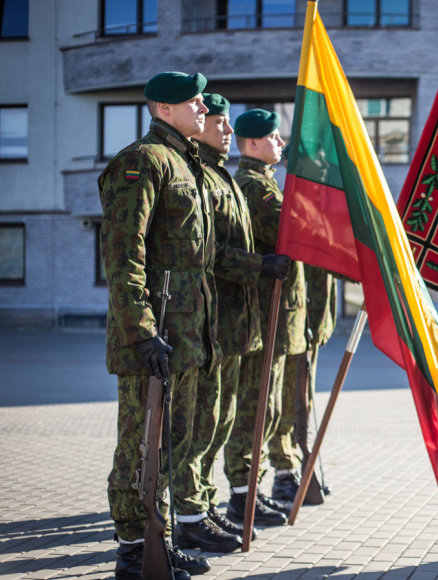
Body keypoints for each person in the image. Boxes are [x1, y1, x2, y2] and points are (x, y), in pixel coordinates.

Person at [99, 71, 216, 579]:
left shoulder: (186, 164)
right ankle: (134, 551)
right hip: (153, 334)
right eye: (193, 103)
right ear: (163, 109)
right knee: (141, 444)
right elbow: (125, 255)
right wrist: (143, 331)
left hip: (186, 334)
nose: (202, 111)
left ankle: (159, 541)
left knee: (171, 444)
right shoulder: (142, 161)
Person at [177, 93, 292, 550]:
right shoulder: (211, 178)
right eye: (216, 121)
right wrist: (260, 265)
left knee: (224, 419)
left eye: (222, 121)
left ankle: (206, 506)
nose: (221, 128)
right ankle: (193, 512)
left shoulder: (222, 176)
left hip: (236, 322)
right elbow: (206, 253)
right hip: (211, 321)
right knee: (204, 424)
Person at [223, 108, 307, 526]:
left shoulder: (265, 184)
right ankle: (242, 496)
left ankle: (251, 491)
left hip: (279, 318)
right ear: (252, 143)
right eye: (275, 138)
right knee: (254, 411)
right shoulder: (255, 189)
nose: (281, 144)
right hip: (264, 317)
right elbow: (292, 236)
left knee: (270, 410)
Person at [269, 264, 338, 507]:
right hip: (295, 318)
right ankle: (284, 471)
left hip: (314, 319)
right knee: (288, 401)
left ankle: (292, 465)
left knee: (303, 400)